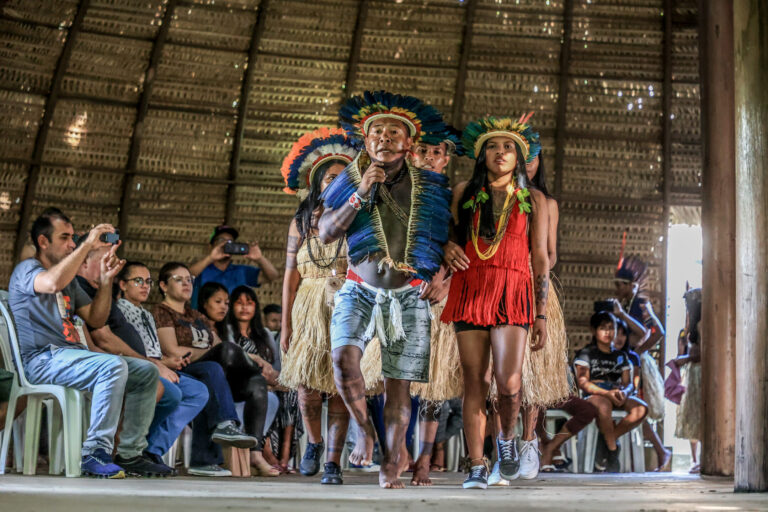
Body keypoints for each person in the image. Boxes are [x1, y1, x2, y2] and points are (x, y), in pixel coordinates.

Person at [318, 91, 451, 488]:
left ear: (409, 143)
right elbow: (325, 232)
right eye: (377, 131)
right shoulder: (349, 179)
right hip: (359, 287)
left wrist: (444, 277)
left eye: (396, 132)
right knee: (343, 360)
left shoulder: (431, 187)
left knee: (399, 385)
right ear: (365, 138)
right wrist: (360, 194)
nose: (386, 137)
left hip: (409, 293)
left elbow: (449, 240)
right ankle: (364, 431)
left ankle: (392, 463)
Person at [8, 208, 160, 478]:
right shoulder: (28, 269)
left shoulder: (70, 282)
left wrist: (105, 282)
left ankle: (130, 453)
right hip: (41, 360)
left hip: (71, 357)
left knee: (146, 372)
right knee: (112, 367)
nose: (71, 244)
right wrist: (88, 244)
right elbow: (52, 282)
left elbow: (96, 318)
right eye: (65, 238)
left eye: (73, 238)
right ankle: (94, 452)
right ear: (43, 242)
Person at [441, 117, 550, 489]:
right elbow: (447, 237)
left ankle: (506, 439)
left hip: (514, 290)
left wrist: (541, 313)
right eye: (492, 146)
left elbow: (540, 258)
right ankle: (475, 464)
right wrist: (447, 246)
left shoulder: (534, 199)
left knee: (508, 381)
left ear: (520, 156)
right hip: (471, 287)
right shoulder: (462, 192)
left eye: (508, 147)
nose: (500, 152)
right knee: (475, 380)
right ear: (481, 155)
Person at [279, 126, 381, 484]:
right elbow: (290, 274)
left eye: (343, 178)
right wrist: (287, 326)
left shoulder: (358, 219)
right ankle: (314, 444)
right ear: (319, 182)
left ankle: (334, 462)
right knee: (307, 387)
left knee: (341, 386)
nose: (335, 182)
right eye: (330, 178)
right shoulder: (300, 223)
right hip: (307, 306)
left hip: (344, 304)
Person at [153, 263, 272, 476]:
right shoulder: (162, 312)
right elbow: (173, 351)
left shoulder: (197, 316)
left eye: (189, 279)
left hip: (213, 373)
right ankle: (224, 426)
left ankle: (255, 451)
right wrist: (213, 352)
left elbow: (217, 346)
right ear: (163, 285)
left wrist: (246, 356)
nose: (186, 284)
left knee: (256, 384)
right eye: (178, 279)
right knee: (215, 364)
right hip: (183, 371)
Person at [512, 120, 570, 484]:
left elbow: (550, 254)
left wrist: (536, 288)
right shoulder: (488, 195)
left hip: (534, 289)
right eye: (521, 156)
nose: (526, 163)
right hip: (499, 289)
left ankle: (529, 442)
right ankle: (501, 444)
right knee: (503, 380)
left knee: (534, 375)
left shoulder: (546, 203)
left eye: (532, 158)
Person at [407, 127, 464, 486]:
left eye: (437, 152)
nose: (430, 157)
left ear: (447, 158)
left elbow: (466, 246)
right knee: (390, 381)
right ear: (411, 153)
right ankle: (391, 450)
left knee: (432, 387)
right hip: (398, 290)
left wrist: (446, 280)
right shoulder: (397, 189)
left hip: (440, 296)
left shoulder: (455, 195)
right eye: (423, 150)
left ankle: (424, 460)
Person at [114, 261, 210, 468]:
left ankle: (152, 448)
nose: (145, 286)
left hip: (158, 365)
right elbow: (126, 349)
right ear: (122, 285)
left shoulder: (147, 314)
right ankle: (134, 446)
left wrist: (167, 362)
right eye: (138, 281)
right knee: (172, 393)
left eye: (148, 282)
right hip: (137, 368)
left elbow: (153, 351)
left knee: (198, 391)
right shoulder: (118, 312)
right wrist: (159, 365)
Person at [574, 311, 648, 472]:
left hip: (617, 393)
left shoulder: (621, 356)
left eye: (611, 328)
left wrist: (625, 393)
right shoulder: (586, 354)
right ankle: (613, 450)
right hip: (595, 395)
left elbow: (628, 383)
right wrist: (606, 393)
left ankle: (608, 440)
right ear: (594, 330)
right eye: (603, 328)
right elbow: (583, 382)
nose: (608, 332)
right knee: (604, 406)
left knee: (641, 408)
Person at [189, 225, 279, 308]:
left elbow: (272, 276)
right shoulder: (202, 269)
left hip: (231, 324)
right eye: (221, 240)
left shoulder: (241, 271)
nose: (226, 244)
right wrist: (210, 258)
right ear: (210, 247)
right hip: (202, 322)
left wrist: (260, 258)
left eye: (230, 242)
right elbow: (187, 275)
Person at [673, 287, 701, 474]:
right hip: (691, 374)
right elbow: (683, 352)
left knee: (700, 415)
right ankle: (694, 459)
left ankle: (702, 458)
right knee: (692, 415)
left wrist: (686, 359)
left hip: (701, 373)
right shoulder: (688, 330)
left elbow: (702, 354)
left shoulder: (702, 325)